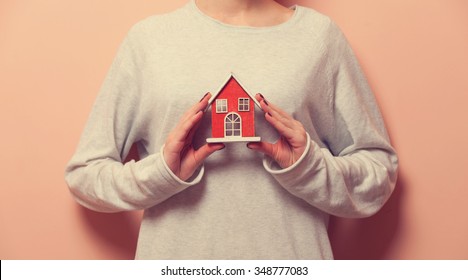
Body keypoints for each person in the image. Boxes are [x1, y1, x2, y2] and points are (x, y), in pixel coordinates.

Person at [65, 0, 398, 259]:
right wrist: (162, 173)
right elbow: (85, 176)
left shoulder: (319, 37)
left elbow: (378, 173)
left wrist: (308, 166)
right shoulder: (149, 41)